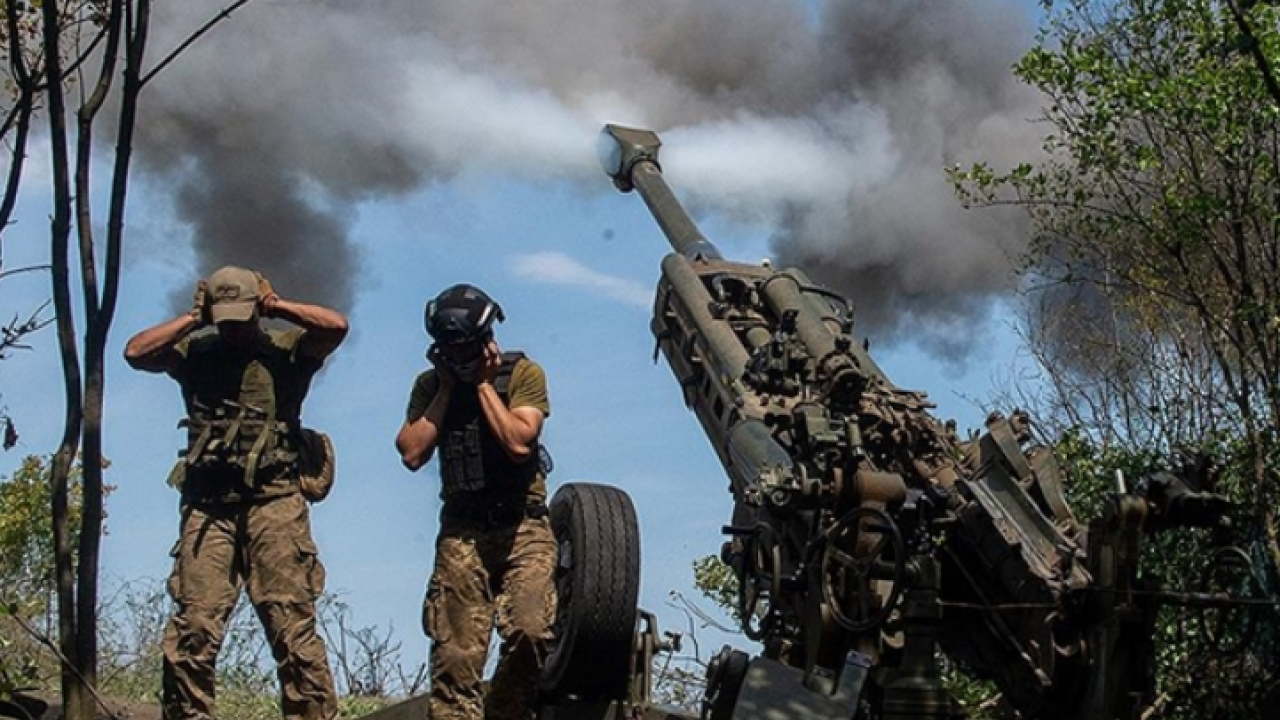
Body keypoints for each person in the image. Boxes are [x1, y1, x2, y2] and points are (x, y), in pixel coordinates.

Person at [124, 265, 348, 720]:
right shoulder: (194, 352)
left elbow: (336, 327)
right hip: (208, 510)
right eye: (224, 319)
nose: (233, 328)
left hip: (275, 504)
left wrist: (278, 306)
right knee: (194, 628)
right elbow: (135, 352)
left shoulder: (286, 350)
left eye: (241, 318)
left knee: (291, 629)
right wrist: (193, 319)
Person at [395, 283, 556, 720]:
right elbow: (412, 452)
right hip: (463, 531)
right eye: (449, 349)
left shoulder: (522, 375)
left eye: (465, 348)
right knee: (456, 654)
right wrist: (447, 390)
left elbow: (519, 443)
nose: (458, 357)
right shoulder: (430, 386)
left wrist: (484, 386)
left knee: (531, 630)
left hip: (523, 527)